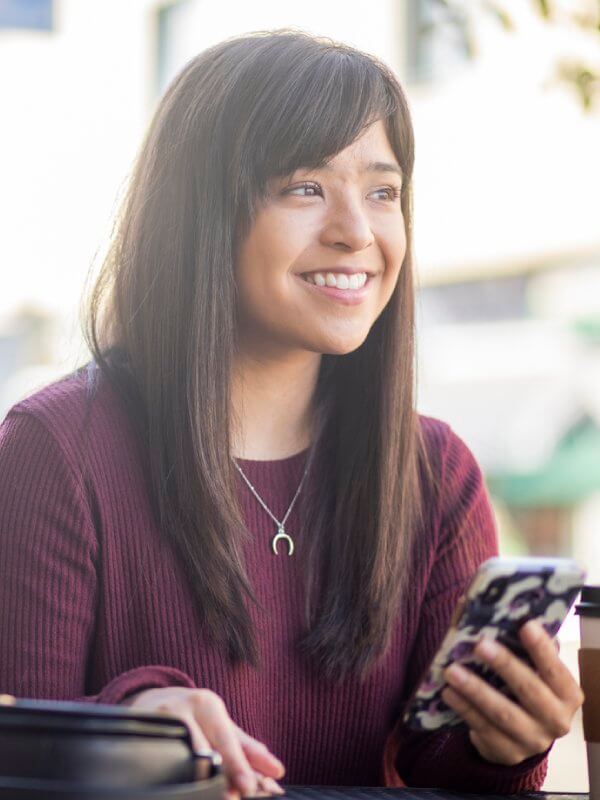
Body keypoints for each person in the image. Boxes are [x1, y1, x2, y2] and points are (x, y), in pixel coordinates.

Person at [0, 29, 583, 799]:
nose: (358, 232)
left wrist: (503, 746)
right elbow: (14, 759)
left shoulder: (437, 476)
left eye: (382, 191)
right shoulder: (55, 451)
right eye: (305, 187)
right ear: (201, 216)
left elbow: (440, 774)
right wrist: (130, 723)